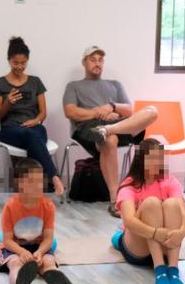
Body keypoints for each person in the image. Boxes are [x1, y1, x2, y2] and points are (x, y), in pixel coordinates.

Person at [62, 45, 158, 215]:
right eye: (93, 60)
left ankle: (108, 129)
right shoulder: (74, 86)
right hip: (89, 127)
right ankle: (115, 200)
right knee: (110, 139)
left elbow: (129, 110)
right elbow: (70, 112)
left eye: (100, 60)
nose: (97, 63)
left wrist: (112, 107)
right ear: (84, 62)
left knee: (152, 111)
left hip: (117, 124)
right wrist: (99, 111)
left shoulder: (114, 84)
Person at [109, 139, 185, 284]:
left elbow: (183, 213)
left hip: (165, 246)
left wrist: (182, 231)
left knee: (172, 204)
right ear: (141, 161)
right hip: (139, 249)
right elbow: (129, 220)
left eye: (160, 158)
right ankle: (159, 268)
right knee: (151, 203)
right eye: (152, 158)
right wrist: (155, 233)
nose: (157, 162)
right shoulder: (129, 184)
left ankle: (173, 269)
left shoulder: (170, 180)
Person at [0, 37, 64, 195]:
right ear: (9, 61)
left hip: (35, 127)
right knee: (32, 137)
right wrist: (8, 102)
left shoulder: (35, 82)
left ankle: (31, 187)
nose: (19, 67)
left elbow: (43, 112)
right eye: (16, 63)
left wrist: (36, 120)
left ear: (27, 61)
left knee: (33, 136)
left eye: (23, 63)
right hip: (10, 130)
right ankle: (54, 177)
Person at [0, 159, 76, 284]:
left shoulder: (48, 206)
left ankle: (54, 275)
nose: (38, 186)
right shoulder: (10, 207)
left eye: (40, 181)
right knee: (15, 263)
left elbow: (48, 238)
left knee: (48, 260)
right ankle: (20, 283)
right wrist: (22, 252)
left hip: (38, 244)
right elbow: (7, 240)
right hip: (16, 246)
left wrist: (39, 251)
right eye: (32, 182)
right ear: (19, 183)